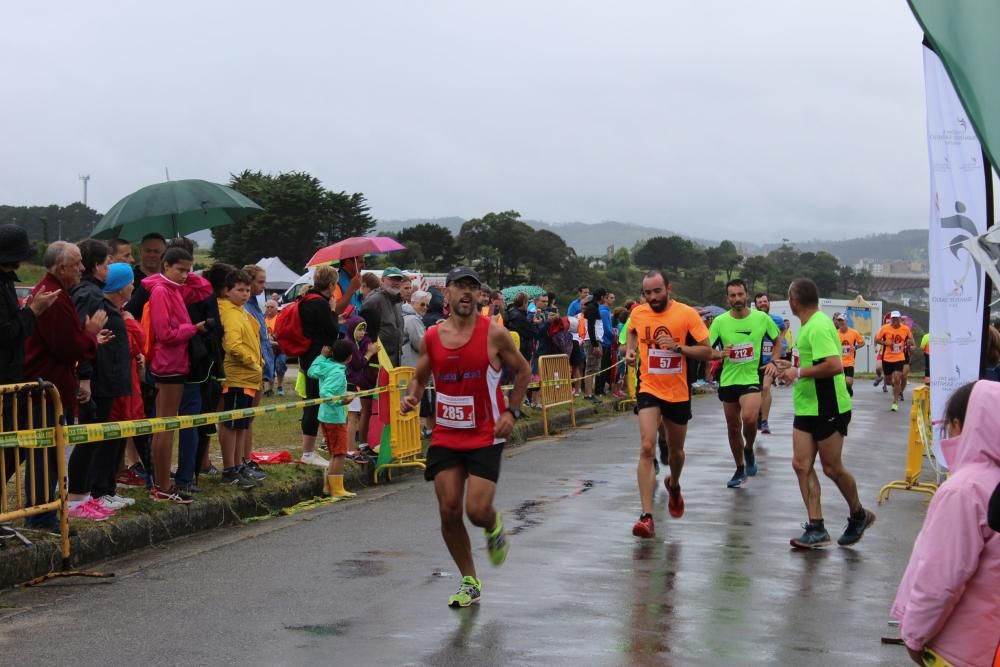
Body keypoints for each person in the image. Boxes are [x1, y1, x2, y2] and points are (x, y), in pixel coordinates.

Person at [401, 267, 531, 608]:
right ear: (447, 294)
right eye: (460, 287)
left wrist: (511, 412)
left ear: (480, 297)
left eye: (473, 288)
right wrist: (412, 395)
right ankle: (469, 580)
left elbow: (524, 370)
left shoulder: (494, 334)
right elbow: (420, 376)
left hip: (486, 434)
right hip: (446, 434)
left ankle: (493, 524)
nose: (466, 293)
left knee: (475, 511)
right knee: (448, 509)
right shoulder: (432, 336)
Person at [891, 380, 1000, 666]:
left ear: (962, 425)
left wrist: (914, 635)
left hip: (957, 648)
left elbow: (941, 579)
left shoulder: (964, 489)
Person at [768, 278, 874, 549]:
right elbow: (809, 362)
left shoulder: (818, 325)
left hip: (829, 406)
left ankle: (859, 514)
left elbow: (834, 366)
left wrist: (798, 372)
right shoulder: (808, 326)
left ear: (793, 300)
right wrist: (787, 366)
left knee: (831, 468)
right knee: (800, 465)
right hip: (806, 405)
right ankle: (816, 527)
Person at [23, 241, 109, 529]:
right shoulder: (53, 297)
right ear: (62, 267)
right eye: (77, 264)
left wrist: (87, 338)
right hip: (44, 389)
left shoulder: (57, 293)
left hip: (51, 386)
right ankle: (40, 513)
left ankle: (42, 510)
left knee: (46, 452)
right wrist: (90, 334)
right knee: (43, 453)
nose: (82, 269)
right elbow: (66, 347)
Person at [625, 270, 711, 538]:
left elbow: (706, 350)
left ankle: (674, 485)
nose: (652, 297)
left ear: (668, 289)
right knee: (647, 446)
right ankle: (646, 516)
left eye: (656, 291)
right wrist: (629, 350)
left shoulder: (686, 314)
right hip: (649, 388)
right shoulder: (639, 312)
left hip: (678, 392)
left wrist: (678, 348)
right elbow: (631, 331)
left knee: (677, 453)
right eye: (647, 293)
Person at [68, 239, 134, 517]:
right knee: (89, 438)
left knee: (97, 437)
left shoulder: (94, 293)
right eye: (107, 263)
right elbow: (83, 335)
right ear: (96, 266)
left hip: (107, 376)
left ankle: (92, 494)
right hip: (97, 378)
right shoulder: (88, 294)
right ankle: (78, 498)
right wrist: (86, 376)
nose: (109, 268)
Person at [0, 226, 59, 537]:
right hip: (4, 381)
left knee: (13, 446)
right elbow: (7, 332)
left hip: (12, 378)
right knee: (8, 446)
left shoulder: (7, 283)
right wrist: (33, 311)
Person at [143, 246, 212, 502]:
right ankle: (161, 484)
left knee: (167, 425)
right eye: (180, 270)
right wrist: (192, 329)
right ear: (166, 267)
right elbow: (165, 333)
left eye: (189, 269)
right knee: (165, 426)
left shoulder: (172, 288)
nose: (185, 275)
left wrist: (187, 275)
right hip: (167, 365)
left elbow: (204, 289)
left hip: (176, 363)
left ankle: (163, 482)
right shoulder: (162, 291)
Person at [709, 279, 780, 488]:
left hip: (751, 378)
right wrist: (719, 353)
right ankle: (740, 468)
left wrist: (774, 361)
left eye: (740, 295)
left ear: (746, 295)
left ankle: (749, 448)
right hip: (729, 379)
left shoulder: (761, 318)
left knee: (749, 419)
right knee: (733, 427)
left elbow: (777, 341)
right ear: (727, 298)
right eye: (733, 296)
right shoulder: (720, 322)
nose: (737, 299)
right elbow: (706, 349)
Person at [217, 269, 263, 489]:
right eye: (239, 290)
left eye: (247, 289)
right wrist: (252, 362)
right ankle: (229, 469)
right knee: (231, 424)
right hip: (236, 377)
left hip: (247, 377)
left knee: (240, 425)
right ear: (227, 291)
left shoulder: (241, 311)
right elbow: (233, 344)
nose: (244, 294)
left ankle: (237, 465)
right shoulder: (230, 313)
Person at [298, 265, 342, 468]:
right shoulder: (321, 304)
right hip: (318, 355)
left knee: (312, 399)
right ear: (331, 284)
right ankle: (308, 452)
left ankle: (311, 449)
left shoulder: (306, 298)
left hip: (307, 354)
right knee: (315, 400)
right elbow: (332, 331)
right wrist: (333, 311)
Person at [307, 339, 356, 497]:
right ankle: (337, 488)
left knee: (335, 452)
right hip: (334, 417)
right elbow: (326, 393)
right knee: (340, 453)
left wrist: (321, 356)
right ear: (349, 358)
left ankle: (329, 486)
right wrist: (342, 400)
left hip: (325, 415)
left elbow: (311, 371)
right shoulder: (338, 373)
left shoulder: (325, 365)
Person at [752, 293, 786, 434]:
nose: (763, 304)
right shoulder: (752, 320)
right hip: (754, 363)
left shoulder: (777, 320)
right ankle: (758, 414)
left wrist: (780, 343)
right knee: (755, 392)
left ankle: (765, 421)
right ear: (756, 305)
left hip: (769, 362)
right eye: (760, 302)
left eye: (765, 301)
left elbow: (783, 329)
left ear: (769, 303)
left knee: (766, 388)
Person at [361, 266, 406, 368]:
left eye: (398, 279)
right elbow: (364, 331)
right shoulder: (374, 300)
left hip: (395, 359)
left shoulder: (397, 302)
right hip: (378, 360)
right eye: (391, 279)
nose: (396, 282)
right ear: (382, 280)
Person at [875, 310, 915, 412]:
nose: (894, 320)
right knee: (889, 381)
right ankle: (893, 387)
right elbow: (877, 340)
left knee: (897, 378)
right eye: (893, 318)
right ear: (891, 319)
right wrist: (887, 344)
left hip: (899, 357)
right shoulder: (885, 328)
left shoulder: (905, 329)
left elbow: (913, 343)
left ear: (899, 319)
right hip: (887, 358)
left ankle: (895, 402)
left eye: (896, 318)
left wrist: (910, 345)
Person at [834, 313, 864, 396]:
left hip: (849, 362)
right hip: (838, 362)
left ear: (846, 321)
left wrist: (856, 347)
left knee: (848, 382)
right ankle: (842, 399)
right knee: (839, 384)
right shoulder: (835, 333)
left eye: (842, 321)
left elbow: (862, 343)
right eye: (839, 321)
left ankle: (849, 388)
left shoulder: (854, 332)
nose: (840, 323)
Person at [567, 285, 589, 393]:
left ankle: (582, 386)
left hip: (586, 338)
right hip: (576, 338)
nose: (586, 294)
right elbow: (570, 321)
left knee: (583, 364)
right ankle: (575, 387)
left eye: (588, 292)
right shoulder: (573, 305)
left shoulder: (591, 307)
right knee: (577, 364)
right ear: (579, 293)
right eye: (584, 292)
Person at [264, 299, 286, 395]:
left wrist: (272, 339)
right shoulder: (262, 319)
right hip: (268, 349)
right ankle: (270, 388)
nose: (269, 309)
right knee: (269, 368)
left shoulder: (280, 318)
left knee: (280, 365)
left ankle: (280, 387)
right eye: (267, 307)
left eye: (272, 307)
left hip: (280, 348)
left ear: (276, 308)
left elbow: (283, 333)